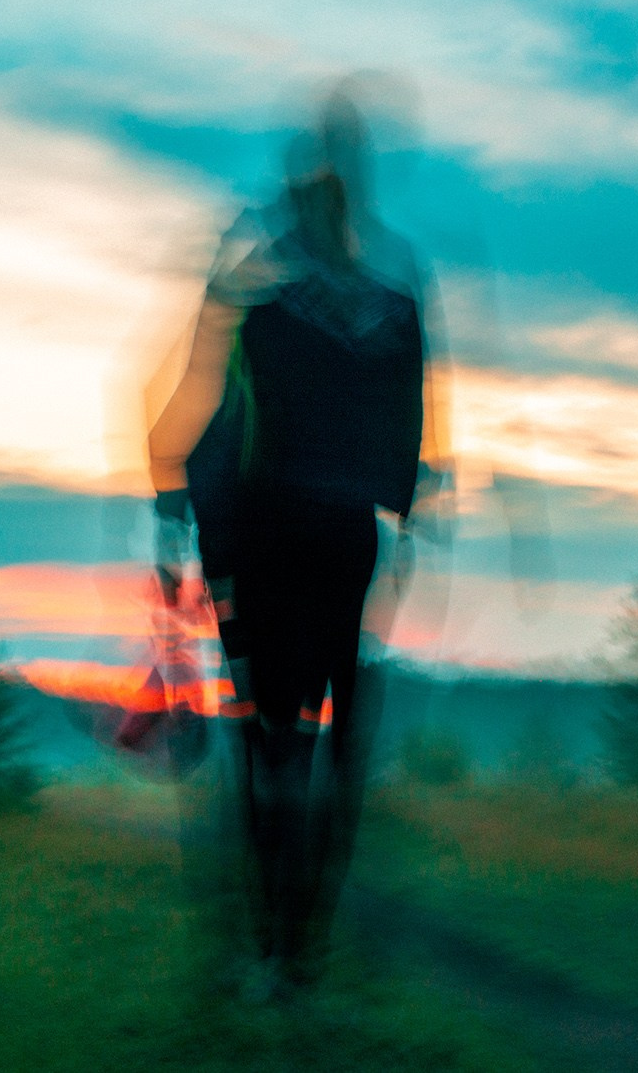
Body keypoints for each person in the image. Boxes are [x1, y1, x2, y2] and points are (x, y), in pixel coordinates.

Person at [148, 86, 439, 994]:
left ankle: (275, 941)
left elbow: (209, 414)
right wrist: (402, 513)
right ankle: (294, 946)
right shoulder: (393, 308)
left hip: (269, 538)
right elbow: (407, 439)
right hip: (347, 544)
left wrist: (179, 515)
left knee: (270, 741)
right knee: (324, 738)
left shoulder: (262, 305)